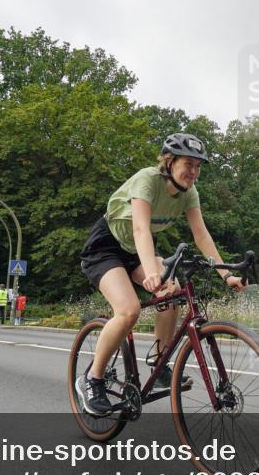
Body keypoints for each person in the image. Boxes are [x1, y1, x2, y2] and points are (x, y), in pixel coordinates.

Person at [76, 133, 245, 415]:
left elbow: (201, 236)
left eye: (198, 166)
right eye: (188, 164)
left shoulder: (189, 193)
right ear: (169, 162)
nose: (194, 172)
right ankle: (92, 379)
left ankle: (158, 361)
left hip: (136, 251)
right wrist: (152, 273)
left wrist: (226, 275)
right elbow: (140, 229)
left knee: (174, 292)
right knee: (129, 311)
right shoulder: (147, 180)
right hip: (105, 248)